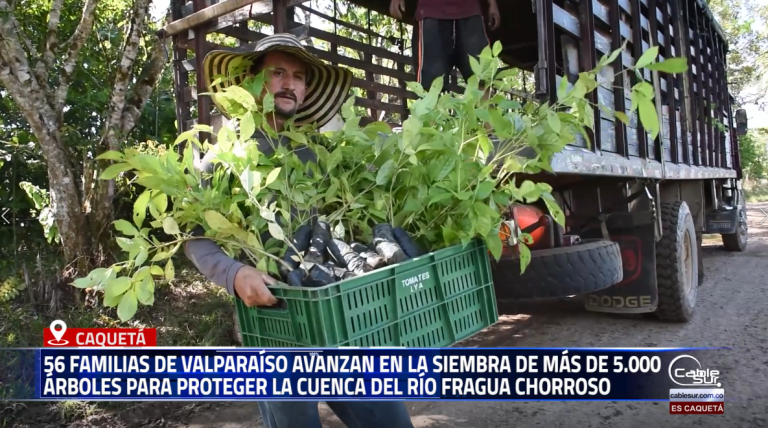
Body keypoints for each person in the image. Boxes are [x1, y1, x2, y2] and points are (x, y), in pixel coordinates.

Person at [184, 33, 416, 428]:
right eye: (277, 73)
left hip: (337, 316)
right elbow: (193, 235)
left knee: (389, 421)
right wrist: (234, 273)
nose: (289, 83)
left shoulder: (315, 153)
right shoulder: (225, 155)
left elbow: (344, 224)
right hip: (274, 326)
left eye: (298, 76)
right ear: (253, 82)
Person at [390, 0, 501, 91]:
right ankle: (433, 118)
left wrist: (492, 3)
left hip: (470, 10)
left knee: (482, 76)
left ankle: (486, 117)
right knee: (431, 82)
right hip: (431, 9)